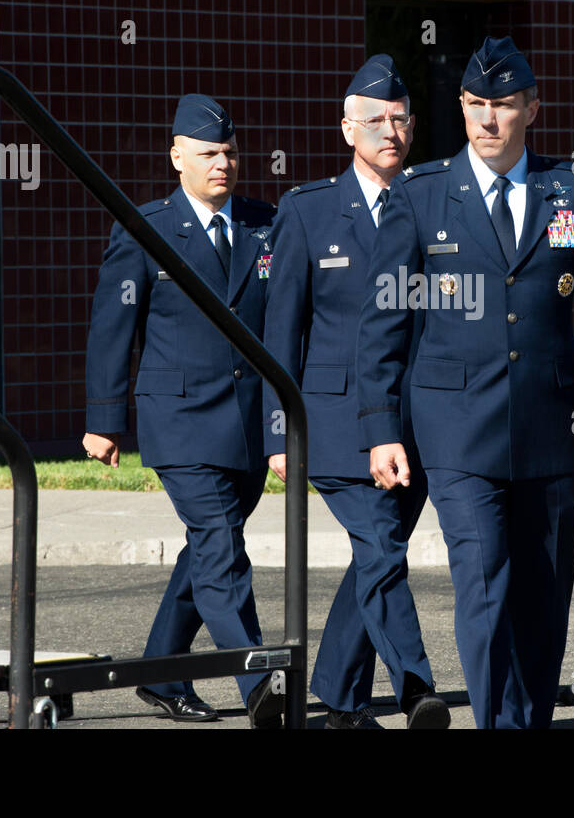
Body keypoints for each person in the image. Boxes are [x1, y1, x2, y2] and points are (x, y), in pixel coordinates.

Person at [356, 36, 574, 728]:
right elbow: (383, 322)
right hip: (456, 431)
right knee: (483, 590)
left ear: (531, 109)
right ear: (461, 106)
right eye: (476, 104)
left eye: (504, 105)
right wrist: (379, 429)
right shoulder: (422, 196)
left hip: (552, 430)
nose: (488, 119)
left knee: (541, 603)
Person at [82, 94, 284, 727]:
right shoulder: (144, 227)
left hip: (248, 422)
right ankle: (260, 685)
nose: (221, 163)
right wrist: (104, 418)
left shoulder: (266, 224)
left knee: (207, 548)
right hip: (180, 418)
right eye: (206, 153)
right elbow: (113, 326)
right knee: (221, 546)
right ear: (176, 156)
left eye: (228, 152)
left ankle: (163, 671)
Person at [264, 55, 449, 729]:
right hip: (337, 421)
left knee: (375, 556)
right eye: (375, 120)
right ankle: (416, 688)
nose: (390, 131)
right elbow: (279, 331)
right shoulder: (308, 212)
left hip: (421, 419)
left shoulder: (438, 200)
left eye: (401, 119)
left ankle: (338, 701)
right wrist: (277, 431)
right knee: (380, 546)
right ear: (347, 129)